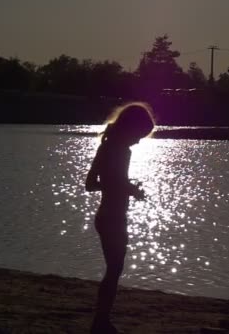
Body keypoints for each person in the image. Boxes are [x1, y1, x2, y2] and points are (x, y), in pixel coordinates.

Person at [85, 102, 155, 333]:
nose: (138, 141)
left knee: (112, 270)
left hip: (103, 216)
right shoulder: (123, 151)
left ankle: (101, 320)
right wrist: (133, 190)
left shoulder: (105, 147)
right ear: (131, 128)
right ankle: (101, 321)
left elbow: (90, 184)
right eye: (139, 135)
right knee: (114, 270)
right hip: (114, 217)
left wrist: (118, 186)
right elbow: (117, 182)